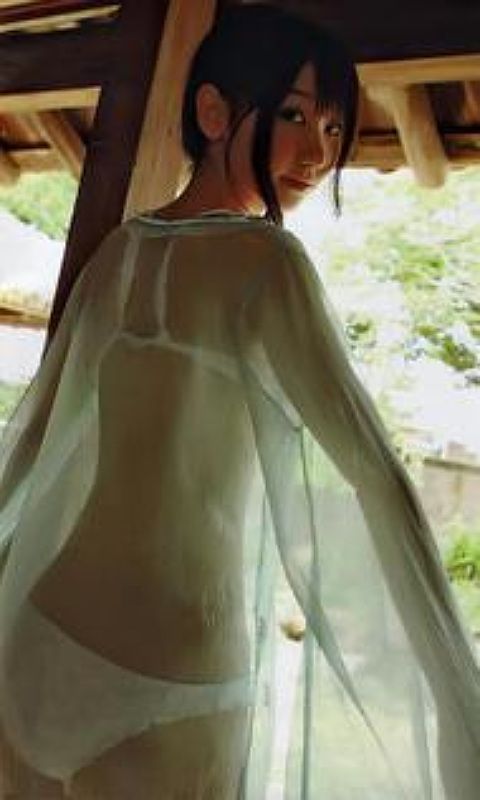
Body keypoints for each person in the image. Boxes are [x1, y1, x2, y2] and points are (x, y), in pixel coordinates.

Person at [0, 4, 478, 799]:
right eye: (293, 115)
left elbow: (31, 450)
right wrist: (456, 689)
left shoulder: (120, 253)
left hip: (43, 635)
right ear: (214, 111)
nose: (317, 153)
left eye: (333, 127)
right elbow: (375, 476)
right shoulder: (266, 264)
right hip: (175, 669)